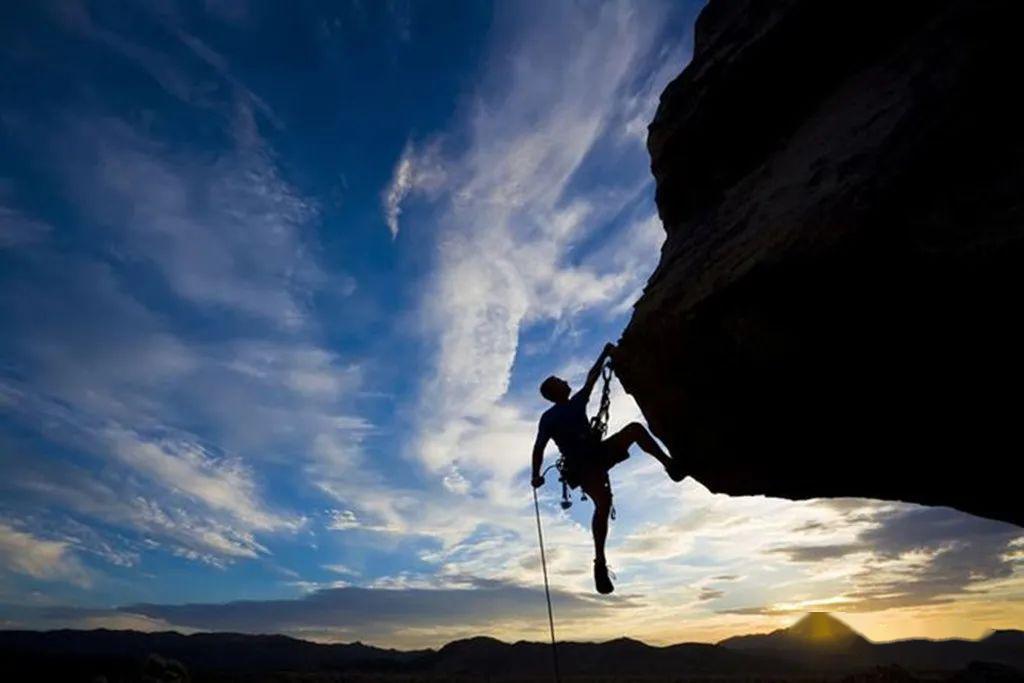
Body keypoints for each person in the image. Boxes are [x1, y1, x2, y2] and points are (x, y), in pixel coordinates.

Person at [530, 342, 686, 594]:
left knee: (602, 504)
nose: (565, 380)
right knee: (634, 432)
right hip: (591, 460)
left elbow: (538, 448)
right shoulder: (572, 405)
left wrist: (535, 476)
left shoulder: (549, 418)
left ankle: (600, 561)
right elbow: (592, 377)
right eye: (560, 380)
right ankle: (670, 466)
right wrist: (604, 352)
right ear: (556, 390)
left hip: (584, 465)